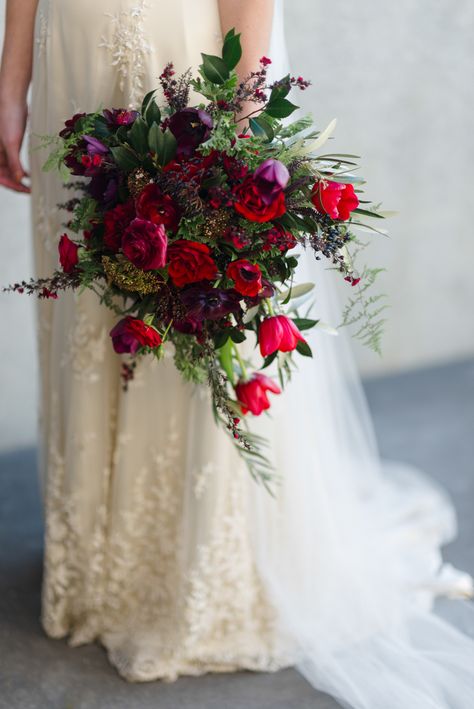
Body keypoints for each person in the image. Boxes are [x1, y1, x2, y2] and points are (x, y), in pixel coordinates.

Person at [2, 1, 474, 706]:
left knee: (177, 307)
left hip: (171, 64)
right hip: (69, 56)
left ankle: (193, 568)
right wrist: (12, 86)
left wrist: (240, 117)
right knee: (89, 311)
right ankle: (103, 562)